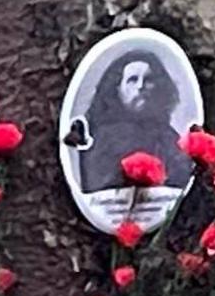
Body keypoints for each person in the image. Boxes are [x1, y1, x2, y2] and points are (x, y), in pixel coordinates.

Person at [70, 49, 186, 199]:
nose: (140, 87)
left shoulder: (169, 138)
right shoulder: (101, 139)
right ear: (118, 89)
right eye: (132, 80)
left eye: (148, 80)